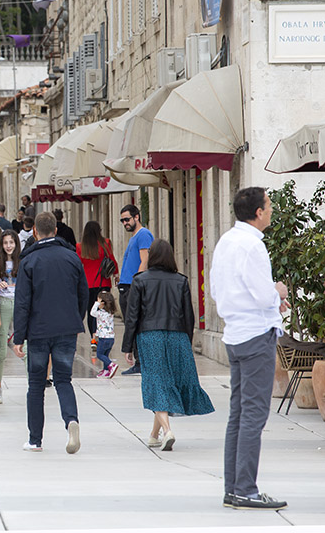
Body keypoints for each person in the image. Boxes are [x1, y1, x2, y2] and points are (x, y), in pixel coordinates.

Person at [210, 187, 290, 510]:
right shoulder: (253, 247)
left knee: (239, 415)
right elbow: (262, 295)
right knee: (254, 414)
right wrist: (278, 291)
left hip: (235, 334)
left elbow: (217, 291)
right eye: (269, 206)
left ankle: (234, 488)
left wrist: (268, 302)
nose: (271, 211)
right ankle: (245, 488)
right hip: (256, 336)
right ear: (258, 212)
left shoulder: (226, 242)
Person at [124, 239, 213, 450]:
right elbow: (188, 316)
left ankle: (167, 431)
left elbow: (132, 316)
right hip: (177, 336)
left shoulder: (140, 280)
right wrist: (186, 342)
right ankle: (154, 435)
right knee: (166, 382)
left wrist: (127, 346)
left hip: (149, 336)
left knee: (156, 382)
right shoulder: (180, 280)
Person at [12, 212, 88, 454]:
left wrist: (19, 336)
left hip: (38, 331)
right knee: (63, 380)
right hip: (66, 328)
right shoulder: (72, 258)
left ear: (35, 231)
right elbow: (83, 293)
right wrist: (76, 320)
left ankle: (35, 439)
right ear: (56, 230)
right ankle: (71, 420)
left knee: (35, 385)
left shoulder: (29, 261)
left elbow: (22, 301)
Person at [118, 204, 154, 376]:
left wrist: (137, 284)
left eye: (127, 219)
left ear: (137, 217)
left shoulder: (144, 235)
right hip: (126, 285)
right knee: (130, 323)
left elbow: (144, 260)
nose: (125, 223)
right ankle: (137, 360)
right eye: (122, 220)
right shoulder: (134, 237)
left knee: (135, 323)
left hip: (133, 286)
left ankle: (140, 362)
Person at [77, 221, 119, 340]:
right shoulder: (105, 243)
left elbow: (79, 265)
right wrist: (116, 274)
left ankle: (93, 337)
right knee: (105, 311)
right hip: (103, 282)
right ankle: (104, 335)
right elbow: (112, 260)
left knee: (92, 311)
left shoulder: (80, 247)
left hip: (88, 284)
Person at [0, 230, 21, 403]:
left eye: (11, 242)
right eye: (5, 243)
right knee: (1, 348)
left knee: (24, 345)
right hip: (3, 303)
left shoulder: (23, 262)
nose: (9, 246)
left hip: (19, 304)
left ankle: (34, 384)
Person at [91, 291, 119, 378]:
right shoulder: (110, 313)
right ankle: (106, 370)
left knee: (99, 354)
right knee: (105, 355)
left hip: (104, 338)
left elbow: (92, 313)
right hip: (111, 337)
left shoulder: (101, 313)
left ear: (102, 303)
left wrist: (96, 304)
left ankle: (111, 365)